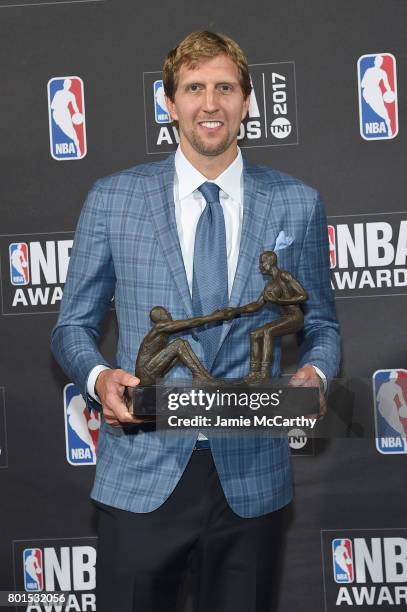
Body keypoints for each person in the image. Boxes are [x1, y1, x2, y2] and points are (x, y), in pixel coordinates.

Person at [51, 31, 341, 612]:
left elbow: (322, 327)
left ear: (247, 103)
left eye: (225, 88)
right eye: (194, 88)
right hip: (142, 473)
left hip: (250, 479)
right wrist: (99, 379)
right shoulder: (113, 200)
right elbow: (71, 328)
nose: (210, 103)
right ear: (169, 103)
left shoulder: (296, 203)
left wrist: (315, 374)